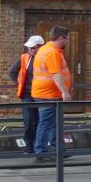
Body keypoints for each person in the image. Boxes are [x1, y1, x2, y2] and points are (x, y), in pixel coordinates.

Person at [30, 26, 73, 160]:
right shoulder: (52, 52)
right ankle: (41, 152)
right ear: (61, 38)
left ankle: (57, 149)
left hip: (45, 93)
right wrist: (65, 92)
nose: (68, 41)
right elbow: (56, 74)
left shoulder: (45, 50)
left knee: (54, 123)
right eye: (67, 39)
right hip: (48, 95)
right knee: (46, 123)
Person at [10, 35, 44, 153]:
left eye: (33, 48)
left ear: (40, 47)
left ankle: (38, 147)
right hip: (27, 94)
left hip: (41, 94)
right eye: (29, 48)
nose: (31, 50)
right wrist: (19, 84)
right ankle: (29, 147)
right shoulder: (24, 58)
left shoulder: (45, 58)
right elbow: (12, 71)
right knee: (29, 121)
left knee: (40, 121)